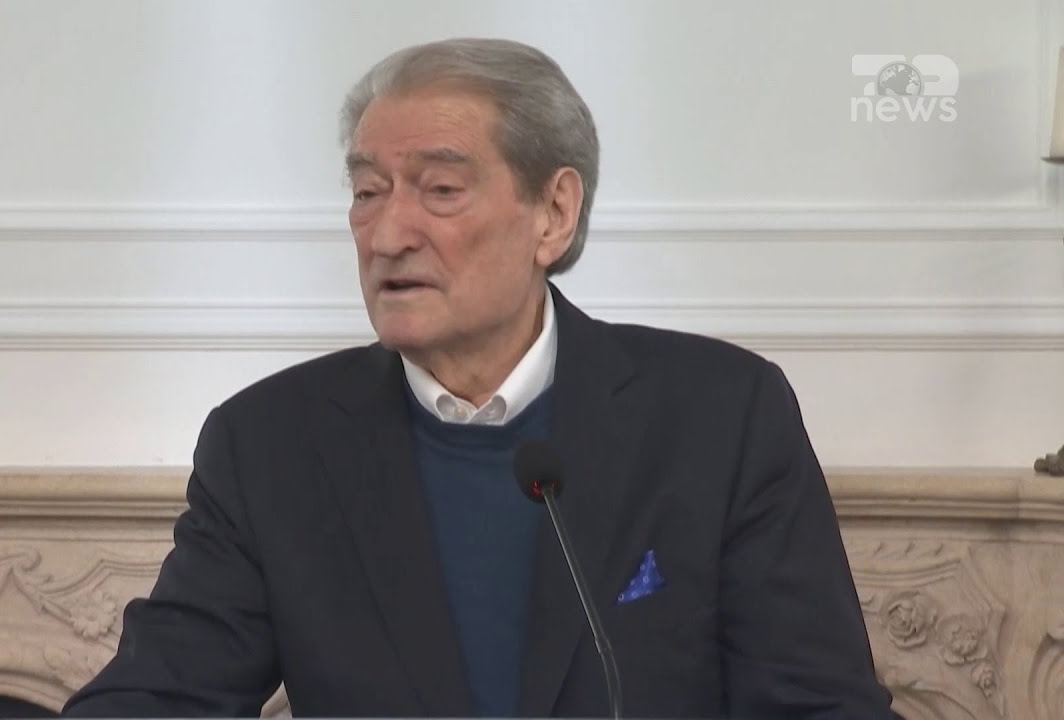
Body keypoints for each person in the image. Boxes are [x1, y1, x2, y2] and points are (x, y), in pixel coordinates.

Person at [62, 37, 893, 718]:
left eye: (441, 190)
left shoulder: (720, 416)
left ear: (553, 214)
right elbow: (160, 696)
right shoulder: (271, 443)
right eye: (367, 192)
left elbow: (820, 705)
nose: (387, 234)